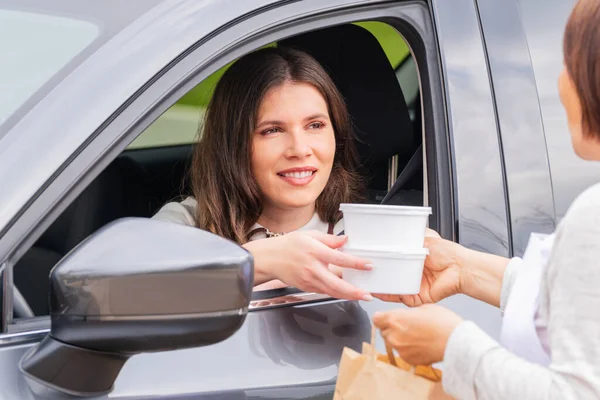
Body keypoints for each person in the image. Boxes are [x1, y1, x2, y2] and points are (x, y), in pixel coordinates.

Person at [373, 0, 600, 398]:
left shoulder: (591, 216)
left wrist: (454, 344)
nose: (561, 81)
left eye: (569, 62)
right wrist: (464, 269)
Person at [153, 46, 376, 301]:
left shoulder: (364, 234)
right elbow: (113, 291)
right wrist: (260, 262)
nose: (300, 149)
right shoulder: (188, 224)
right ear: (233, 144)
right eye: (272, 130)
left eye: (315, 125)